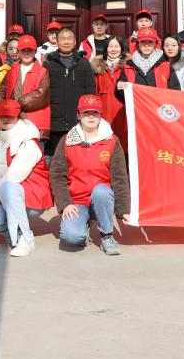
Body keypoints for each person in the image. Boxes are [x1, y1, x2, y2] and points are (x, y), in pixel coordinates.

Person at [49, 94, 131, 255]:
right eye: (86, 113)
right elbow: (56, 175)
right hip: (77, 201)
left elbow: (120, 177)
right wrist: (65, 203)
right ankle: (84, 224)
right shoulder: (66, 141)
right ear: (78, 115)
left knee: (101, 191)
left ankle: (106, 235)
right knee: (72, 237)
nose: (91, 116)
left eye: (95, 113)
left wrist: (124, 210)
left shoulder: (112, 141)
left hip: (102, 200)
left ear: (101, 116)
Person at [0, 99, 53, 257]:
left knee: (9, 186)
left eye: (11, 116)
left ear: (19, 117)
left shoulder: (28, 141)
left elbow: (13, 176)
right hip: (8, 195)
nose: (6, 119)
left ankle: (26, 239)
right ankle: (15, 234)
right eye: (2, 116)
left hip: (32, 198)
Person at [42, 27, 96, 157]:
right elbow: (43, 92)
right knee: (57, 158)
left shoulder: (84, 64)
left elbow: (90, 91)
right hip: (55, 122)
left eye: (69, 38)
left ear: (75, 41)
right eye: (62, 39)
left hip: (78, 121)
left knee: (78, 158)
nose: (66, 42)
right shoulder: (48, 64)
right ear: (57, 41)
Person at [0, 34, 51, 133]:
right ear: (18, 52)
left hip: (35, 123)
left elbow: (40, 95)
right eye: (23, 50)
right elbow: (3, 89)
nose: (26, 53)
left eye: (29, 50)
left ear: (35, 51)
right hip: (13, 121)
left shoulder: (43, 72)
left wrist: (14, 104)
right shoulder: (11, 70)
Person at [116, 27, 181, 95]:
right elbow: (121, 93)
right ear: (138, 44)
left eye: (150, 42)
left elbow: (175, 92)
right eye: (143, 42)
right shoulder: (128, 66)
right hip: (137, 102)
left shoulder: (166, 66)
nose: (146, 46)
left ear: (155, 44)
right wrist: (119, 85)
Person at [90, 35, 129, 148]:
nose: (113, 49)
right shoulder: (98, 67)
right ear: (106, 48)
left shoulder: (128, 67)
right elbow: (94, 91)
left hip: (122, 112)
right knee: (104, 145)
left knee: (123, 144)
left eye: (116, 46)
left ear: (121, 48)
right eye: (110, 46)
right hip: (104, 112)